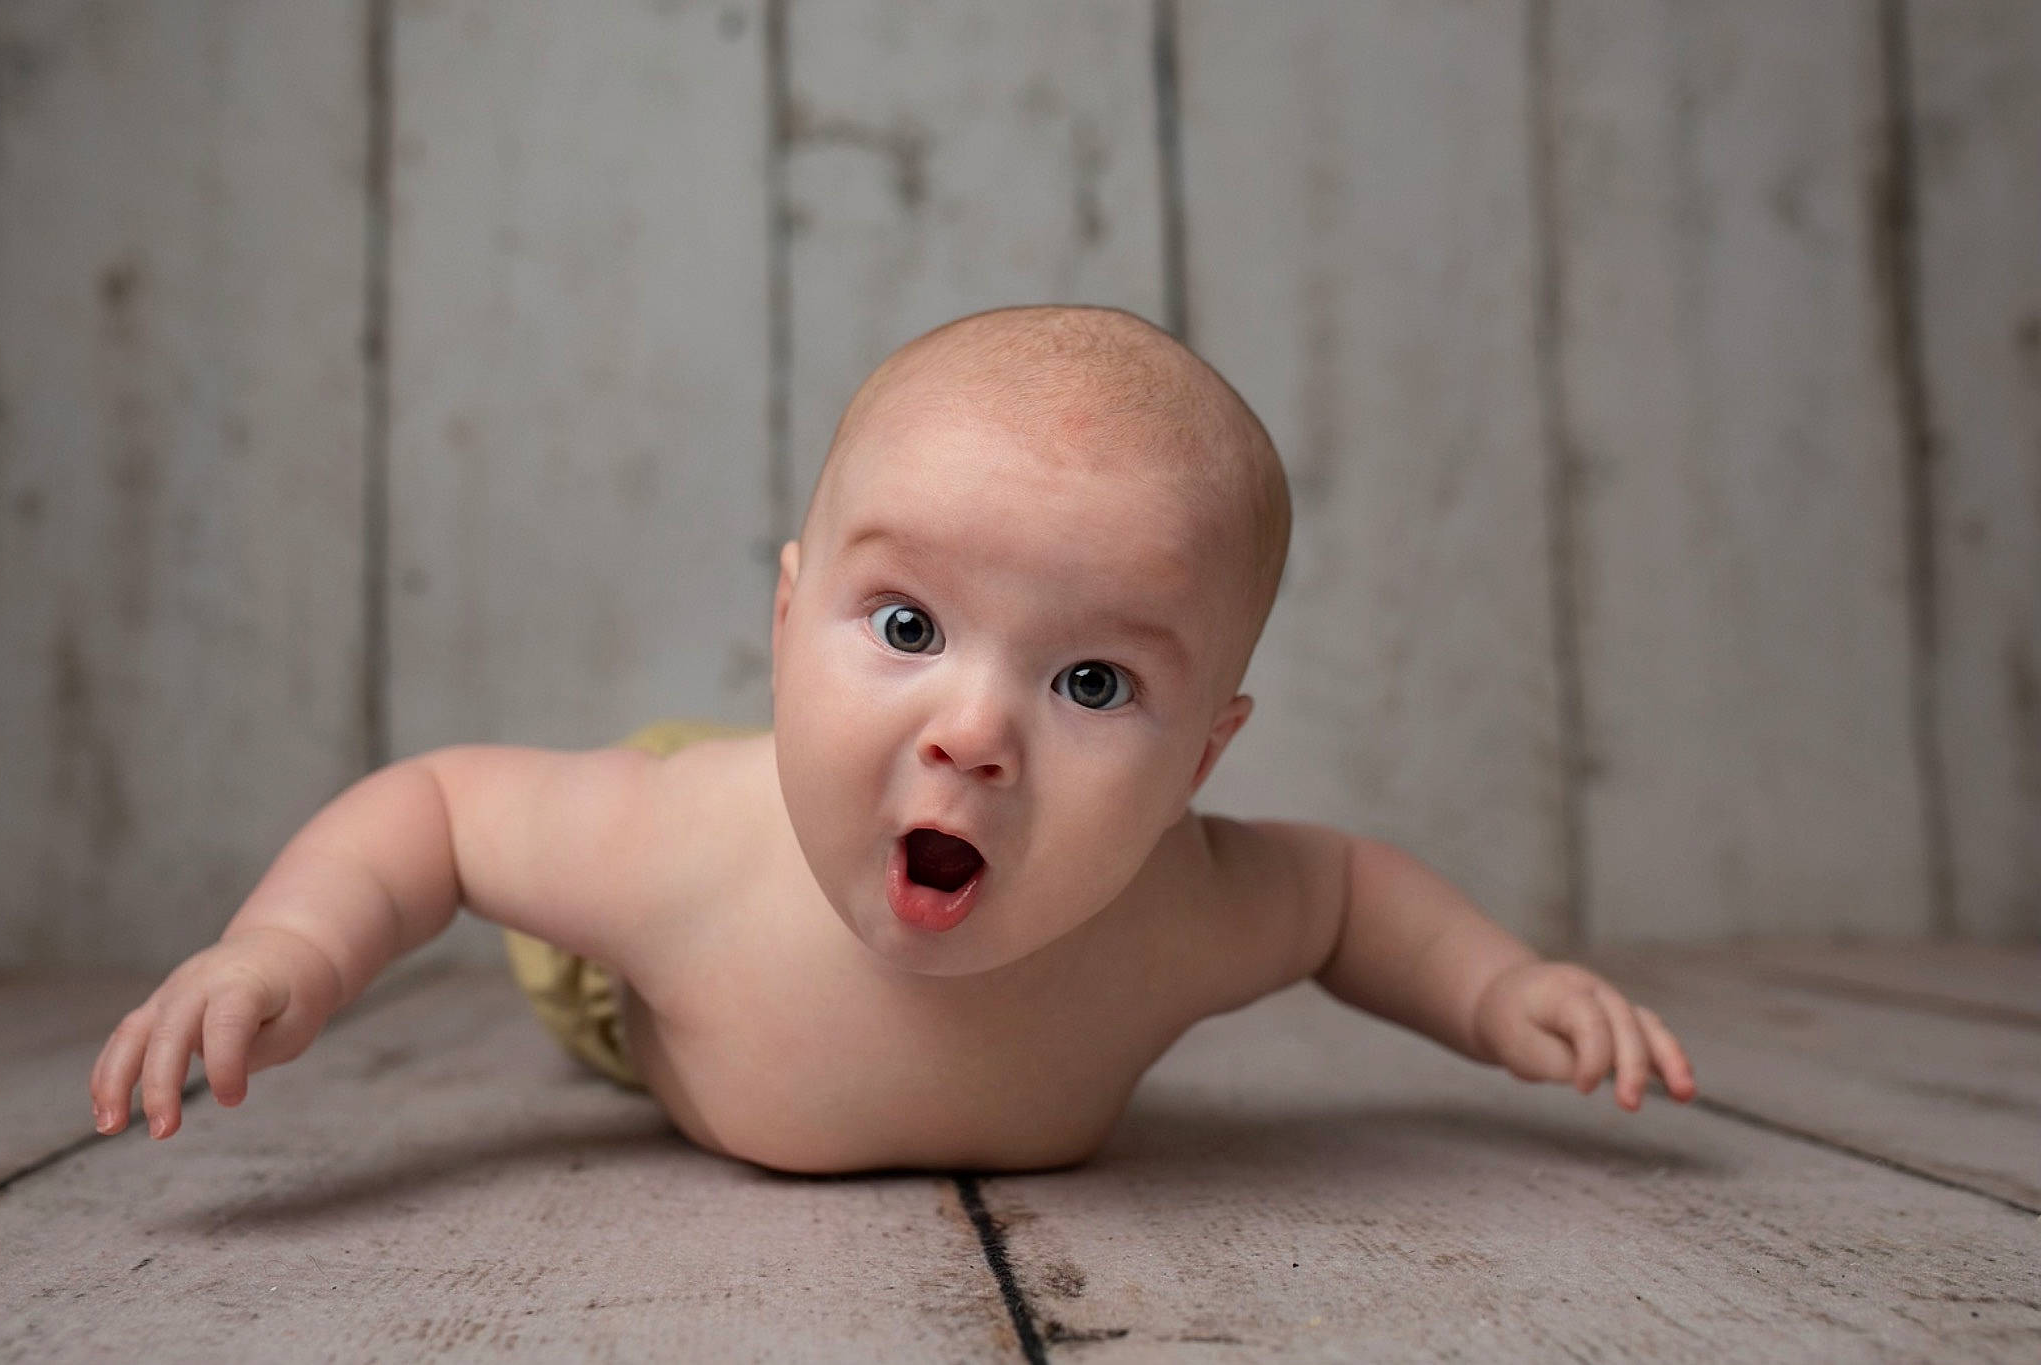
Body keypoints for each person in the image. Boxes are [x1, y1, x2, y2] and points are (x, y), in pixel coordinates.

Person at [89, 305, 1696, 1175]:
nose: (977, 731)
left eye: (1089, 686)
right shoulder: (667, 861)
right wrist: (284, 946)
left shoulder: (1185, 904)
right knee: (611, 840)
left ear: (1204, 760)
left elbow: (1345, 897)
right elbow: (439, 810)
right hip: (685, 925)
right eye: (908, 627)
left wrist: (1502, 990)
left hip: (835, 807)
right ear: (790, 622)